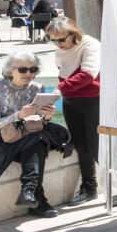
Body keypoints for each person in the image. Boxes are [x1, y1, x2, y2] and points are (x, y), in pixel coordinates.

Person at [0, 52, 71, 218]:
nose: (28, 74)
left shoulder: (37, 88)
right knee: (38, 139)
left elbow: (38, 122)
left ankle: (29, 191)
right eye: (23, 69)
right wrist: (17, 115)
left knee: (38, 137)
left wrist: (46, 116)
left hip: (28, 132)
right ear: (10, 71)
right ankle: (36, 196)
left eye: (33, 69)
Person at [47, 17, 112, 206]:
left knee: (97, 146)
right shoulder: (61, 49)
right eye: (52, 40)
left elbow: (87, 75)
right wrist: (64, 90)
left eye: (60, 40)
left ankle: (116, 188)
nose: (57, 44)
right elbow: (65, 71)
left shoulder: (91, 45)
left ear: (73, 34)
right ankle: (89, 187)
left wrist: (61, 88)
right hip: (71, 101)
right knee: (81, 145)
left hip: (93, 100)